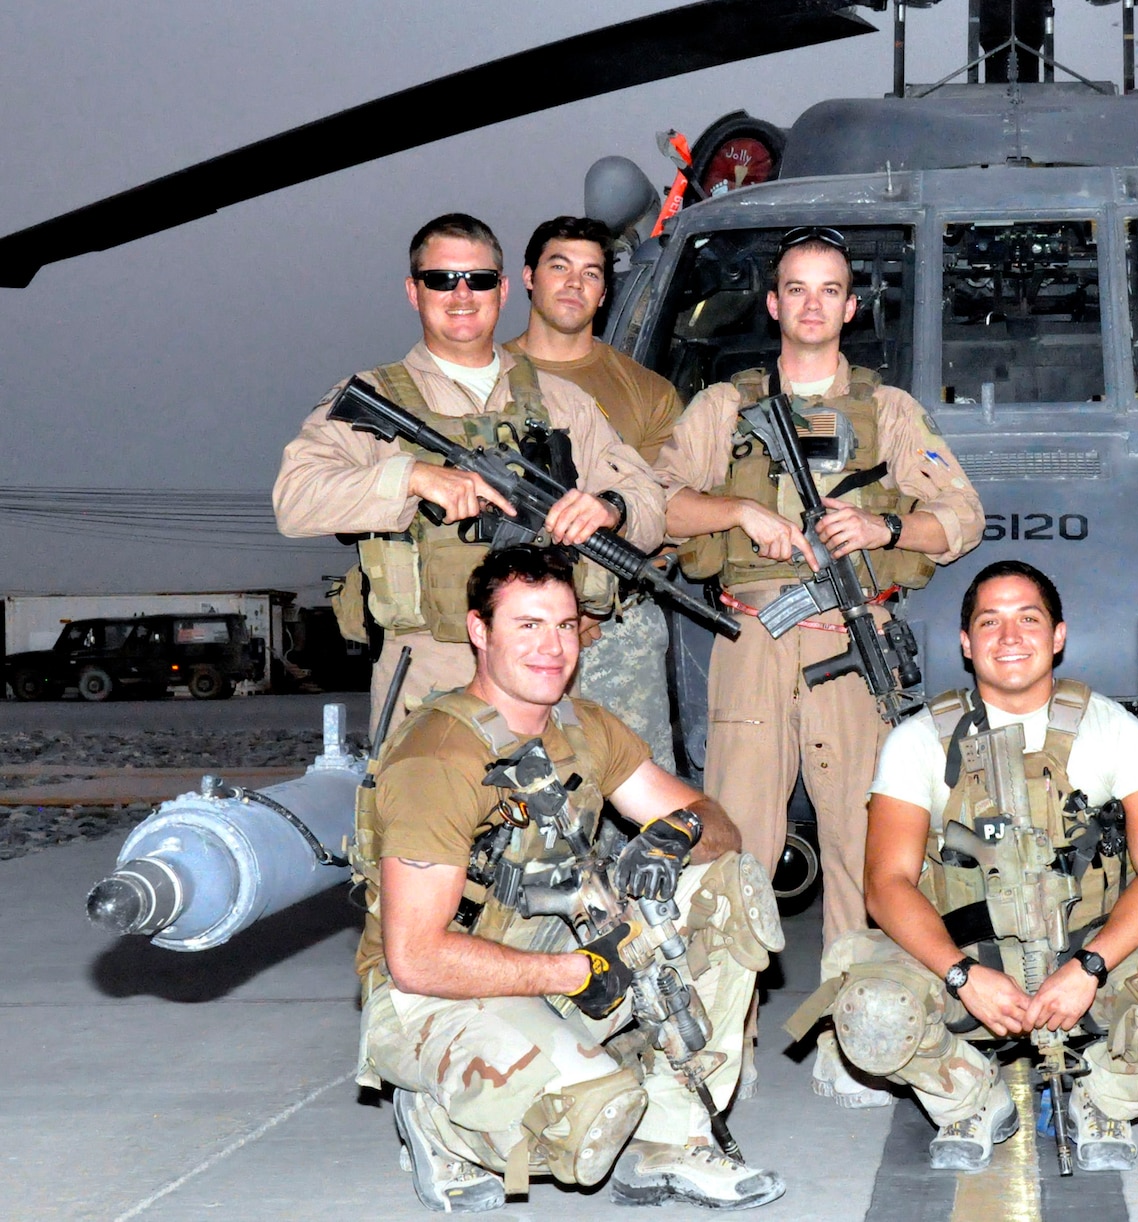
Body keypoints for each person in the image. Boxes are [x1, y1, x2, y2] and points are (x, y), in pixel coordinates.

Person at [352, 546, 786, 1212]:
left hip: (550, 953)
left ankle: (673, 1139)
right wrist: (577, 973)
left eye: (562, 624)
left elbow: (717, 825)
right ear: (479, 631)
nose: (552, 646)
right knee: (591, 1126)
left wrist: (676, 834)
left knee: (728, 887)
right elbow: (415, 957)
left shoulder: (584, 728)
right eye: (526, 625)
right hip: (435, 996)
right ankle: (438, 1123)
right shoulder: (437, 756)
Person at [799, 560, 1138, 1172]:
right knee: (869, 1006)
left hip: (1091, 957)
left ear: (1058, 636)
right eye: (990, 621)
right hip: (966, 963)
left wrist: (1091, 965)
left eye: (1028, 619)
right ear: (966, 643)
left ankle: (1103, 1099)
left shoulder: (1113, 732)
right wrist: (959, 976)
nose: (1010, 637)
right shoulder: (919, 740)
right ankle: (972, 1099)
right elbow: (886, 884)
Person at [652, 227, 982, 943]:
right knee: (734, 844)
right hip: (753, 637)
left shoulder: (888, 410)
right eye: (797, 289)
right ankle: (723, 1042)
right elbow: (659, 507)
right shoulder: (721, 408)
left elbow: (962, 516)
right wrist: (740, 510)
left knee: (863, 846)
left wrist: (881, 531)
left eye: (829, 290)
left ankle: (856, 1031)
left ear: (850, 308)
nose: (812, 304)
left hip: (853, 638)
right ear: (772, 304)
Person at [274, 213, 665, 730]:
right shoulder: (375, 398)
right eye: (441, 279)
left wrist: (609, 507)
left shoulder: (560, 400)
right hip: (430, 669)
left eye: (478, 280)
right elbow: (295, 500)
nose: (462, 294)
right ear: (414, 291)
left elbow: (650, 498)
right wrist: (412, 478)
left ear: (502, 289)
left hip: (544, 672)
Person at [504, 214, 687, 766]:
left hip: (618, 633)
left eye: (591, 273)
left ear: (606, 292)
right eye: (559, 267)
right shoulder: (482, 377)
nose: (574, 283)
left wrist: (597, 608)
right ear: (529, 277)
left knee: (639, 799)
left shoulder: (647, 392)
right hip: (512, 634)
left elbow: (671, 509)